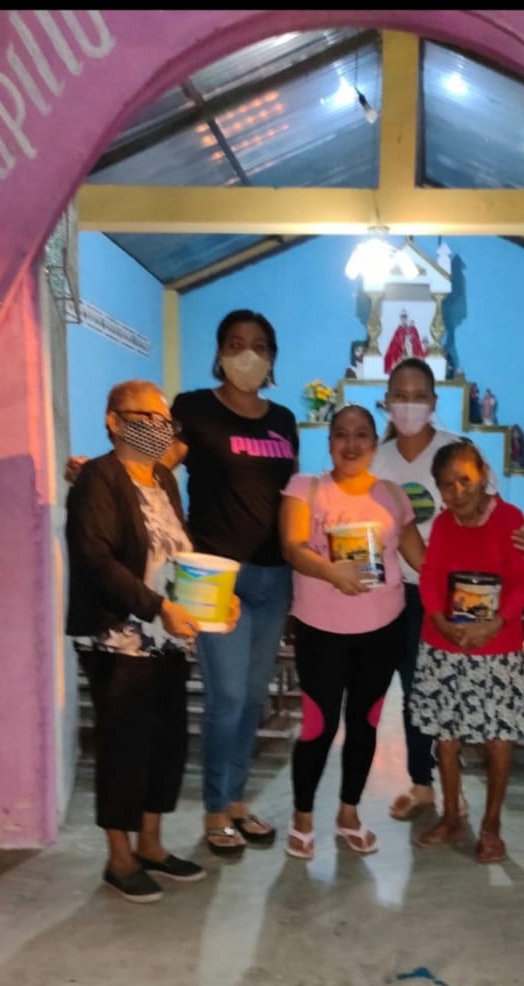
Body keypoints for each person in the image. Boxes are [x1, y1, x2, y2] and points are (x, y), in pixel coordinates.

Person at [65, 310, 298, 854]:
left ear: (272, 357)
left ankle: (236, 800)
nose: (247, 354)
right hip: (216, 575)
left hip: (273, 577)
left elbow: (288, 494)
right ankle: (215, 810)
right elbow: (152, 460)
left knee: (252, 698)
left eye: (259, 345)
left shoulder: (283, 419)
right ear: (219, 353)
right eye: (235, 343)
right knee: (227, 696)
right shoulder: (194, 409)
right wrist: (97, 469)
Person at [65, 380, 238, 902]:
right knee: (124, 747)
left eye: (165, 420)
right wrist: (158, 607)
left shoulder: (163, 477)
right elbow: (96, 560)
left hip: (166, 640)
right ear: (114, 421)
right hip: (117, 638)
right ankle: (119, 858)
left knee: (167, 744)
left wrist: (217, 600)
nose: (160, 429)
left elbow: (177, 551)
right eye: (147, 417)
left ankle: (152, 845)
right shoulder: (98, 479)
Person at [371, 357, 524, 821]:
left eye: (418, 396)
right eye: (400, 396)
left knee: (452, 693)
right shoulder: (378, 459)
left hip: (459, 596)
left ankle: (454, 793)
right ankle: (423, 784)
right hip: (395, 589)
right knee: (418, 692)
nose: (409, 405)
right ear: (386, 402)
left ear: (433, 401)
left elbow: (496, 513)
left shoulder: (456, 450)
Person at [279, 404, 425, 859]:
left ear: (374, 443)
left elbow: (422, 558)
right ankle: (303, 817)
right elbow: (292, 548)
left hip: (383, 629)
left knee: (365, 724)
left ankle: (349, 814)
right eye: (341, 434)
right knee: (318, 726)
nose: (351, 443)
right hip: (321, 630)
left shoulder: (393, 495)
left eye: (362, 434)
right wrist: (330, 572)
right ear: (329, 443)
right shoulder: (306, 488)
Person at [408, 439, 524, 864]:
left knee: (498, 738)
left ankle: (492, 826)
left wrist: (494, 624)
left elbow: (521, 584)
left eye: (465, 480)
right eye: (447, 485)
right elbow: (431, 576)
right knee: (446, 738)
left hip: (497, 646)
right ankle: (451, 817)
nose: (457, 492)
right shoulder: (443, 525)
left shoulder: (511, 520)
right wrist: (440, 620)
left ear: (483, 476)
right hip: (444, 643)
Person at [383, 308, 427, 374]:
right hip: (401, 354)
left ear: (407, 318)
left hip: (411, 353)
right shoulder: (398, 330)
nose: (403, 319)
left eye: (405, 317)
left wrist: (409, 339)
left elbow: (416, 341)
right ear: (400, 318)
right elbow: (394, 343)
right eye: (402, 317)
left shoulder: (412, 329)